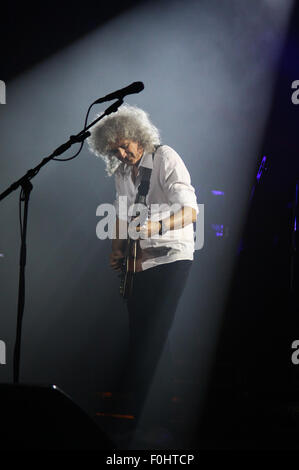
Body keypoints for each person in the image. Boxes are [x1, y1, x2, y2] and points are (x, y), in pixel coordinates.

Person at [88, 104, 198, 429]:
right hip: (139, 263)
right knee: (141, 335)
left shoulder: (165, 158)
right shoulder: (123, 173)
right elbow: (121, 216)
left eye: (125, 145)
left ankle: (163, 415)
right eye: (115, 150)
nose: (122, 153)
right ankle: (153, 410)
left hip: (172, 256)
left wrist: (155, 227)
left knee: (155, 331)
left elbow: (191, 211)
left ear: (138, 135)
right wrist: (116, 249)